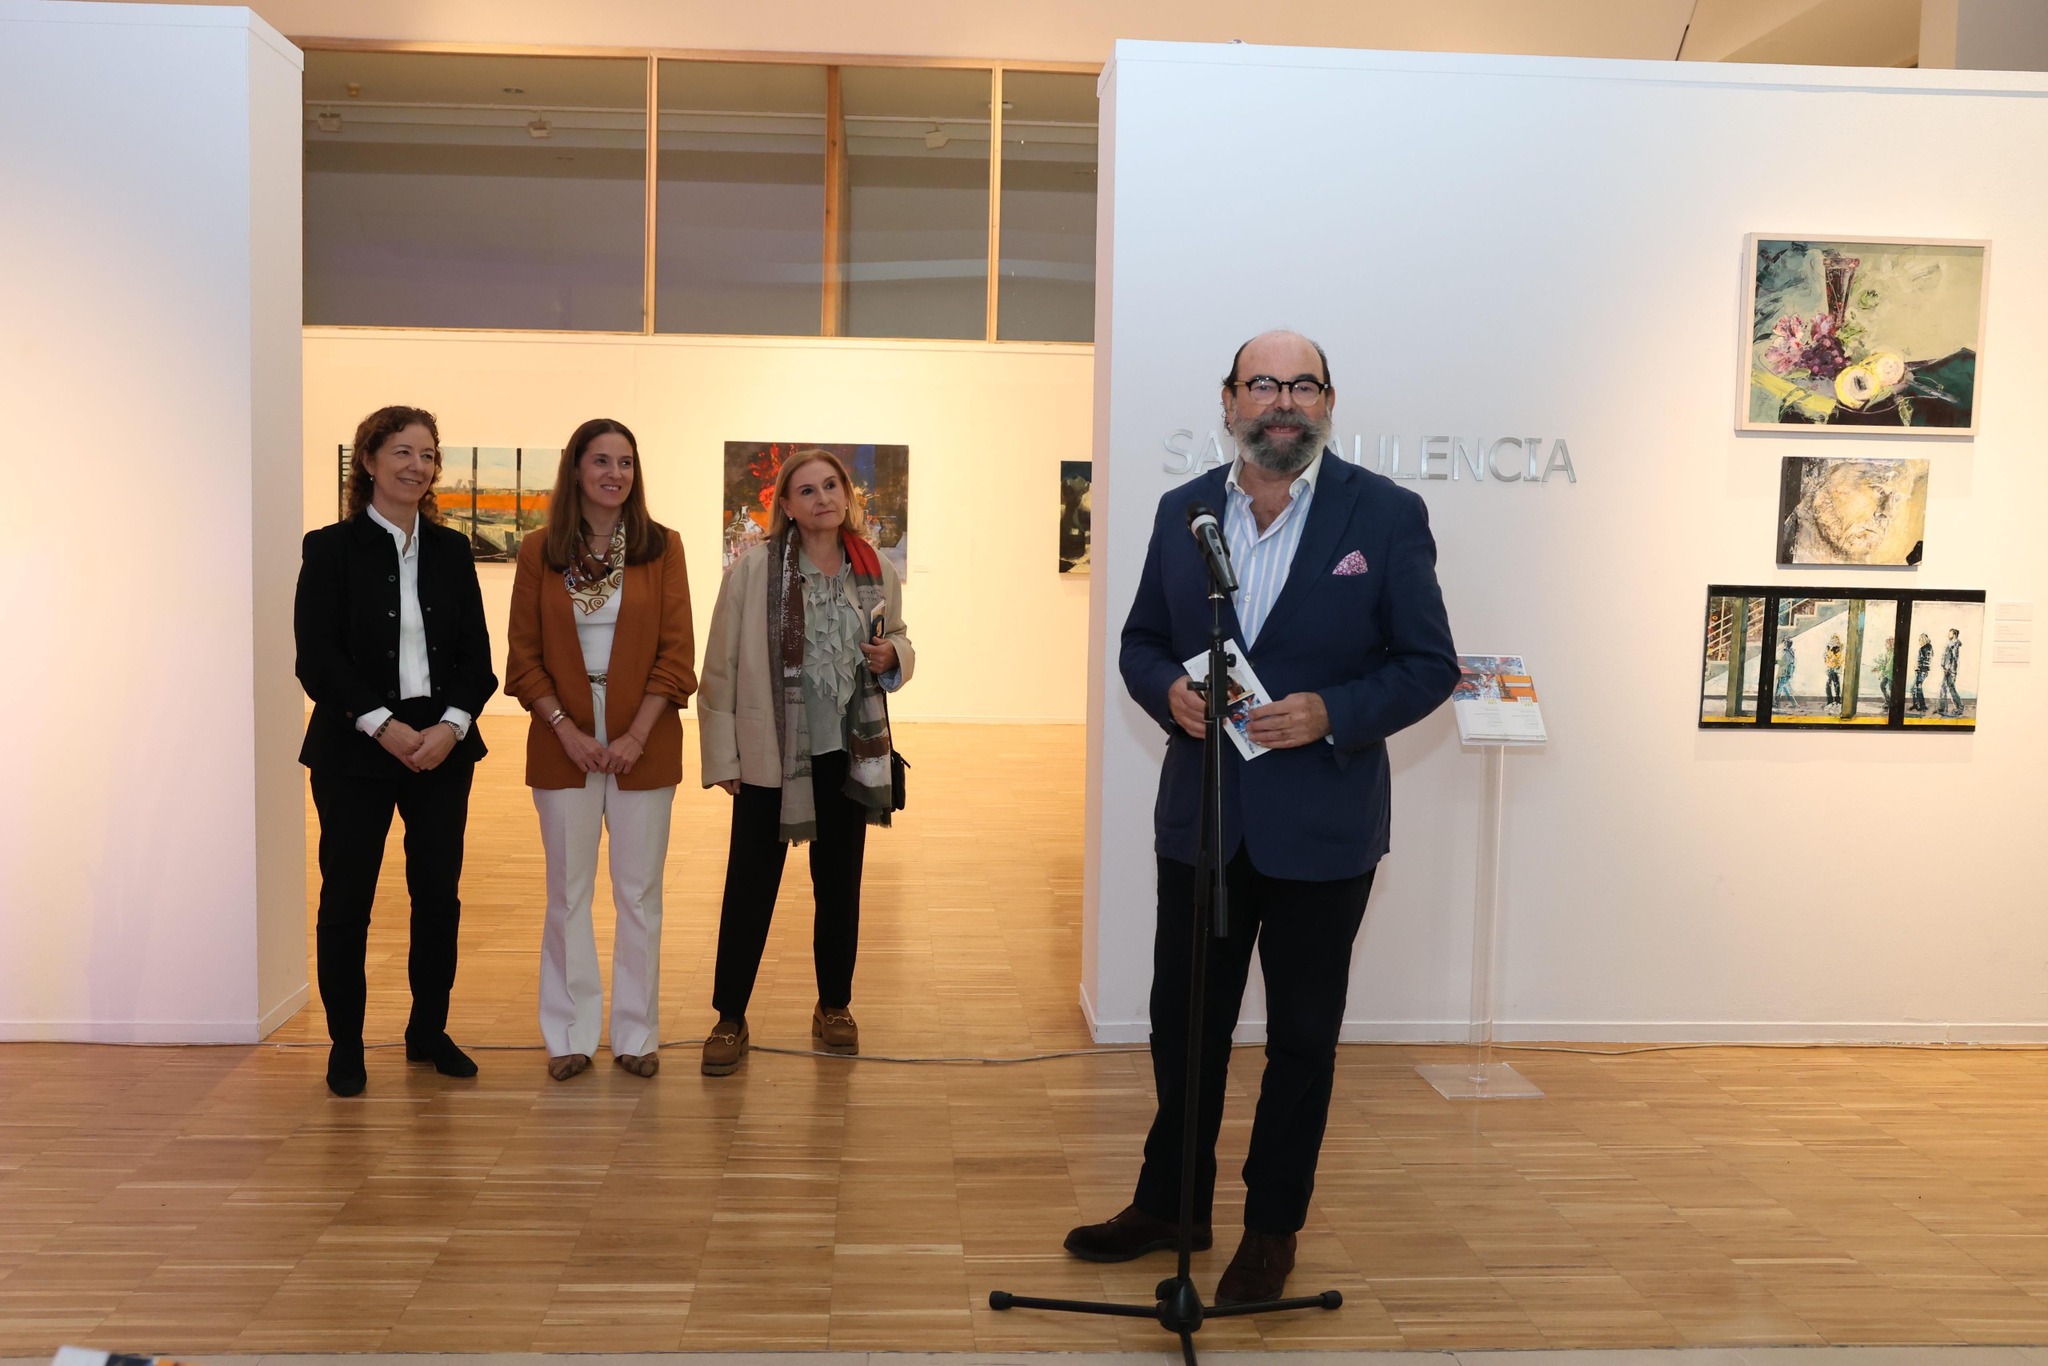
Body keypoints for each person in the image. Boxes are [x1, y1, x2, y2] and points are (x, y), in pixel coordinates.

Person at [1066, 331, 1457, 1306]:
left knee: (1299, 1041)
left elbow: (1426, 662)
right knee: (1180, 1027)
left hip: (1323, 831)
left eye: (1300, 385)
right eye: (1261, 385)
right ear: (1229, 399)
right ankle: (1171, 1205)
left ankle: (1270, 1230)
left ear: (1326, 400)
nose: (1280, 401)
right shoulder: (1181, 508)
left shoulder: (1387, 513)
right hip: (1202, 819)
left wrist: (1334, 712)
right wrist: (1167, 690)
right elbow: (1141, 640)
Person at [294, 405, 497, 1097]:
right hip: (355, 750)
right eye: (403, 452)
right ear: (370, 461)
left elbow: (478, 657)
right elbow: (316, 660)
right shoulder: (329, 548)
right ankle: (346, 1043)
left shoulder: (451, 550)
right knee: (348, 898)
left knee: (437, 896)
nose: (417, 466)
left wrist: (451, 726)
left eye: (428, 455)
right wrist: (382, 724)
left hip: (442, 747)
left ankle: (427, 1031)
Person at [697, 449, 913, 1075]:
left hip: (848, 756)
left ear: (846, 494)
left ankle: (834, 1006)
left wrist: (891, 656)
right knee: (750, 888)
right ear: (785, 505)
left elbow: (900, 638)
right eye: (806, 490)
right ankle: (729, 1016)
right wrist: (723, 755)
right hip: (771, 757)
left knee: (840, 889)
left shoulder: (874, 571)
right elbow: (718, 667)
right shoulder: (754, 570)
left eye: (831, 486)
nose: (822, 498)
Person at [506, 419, 696, 1080]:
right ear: (576, 469)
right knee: (567, 893)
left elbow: (677, 658)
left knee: (640, 896)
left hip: (646, 743)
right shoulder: (539, 552)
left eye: (626, 462)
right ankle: (570, 1035)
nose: (615, 473)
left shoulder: (662, 548)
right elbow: (523, 661)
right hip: (564, 743)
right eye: (601, 461)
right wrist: (568, 730)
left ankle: (637, 1035)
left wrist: (636, 734)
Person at [1939, 627, 1964, 717]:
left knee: (1949, 689)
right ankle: (1943, 708)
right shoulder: (1951, 644)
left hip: (1949, 670)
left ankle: (1959, 708)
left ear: (1954, 634)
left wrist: (1948, 669)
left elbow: (1954, 658)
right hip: (1948, 669)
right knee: (1946, 688)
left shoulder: (1954, 644)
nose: (1948, 635)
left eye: (1950, 633)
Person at [1775, 635, 1798, 710]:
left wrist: (1776, 661)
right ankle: (1794, 703)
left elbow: (1782, 661)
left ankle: (1775, 702)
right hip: (1787, 672)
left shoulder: (1785, 652)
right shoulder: (1790, 651)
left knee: (1780, 687)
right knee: (1786, 688)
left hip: (1784, 672)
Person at [1912, 632, 1933, 713]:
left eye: (1920, 639)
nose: (1919, 641)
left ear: (1923, 640)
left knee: (1918, 687)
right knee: (1916, 687)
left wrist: (1917, 667)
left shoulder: (1922, 649)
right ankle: (1917, 704)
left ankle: (1922, 705)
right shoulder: (1930, 648)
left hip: (1921, 670)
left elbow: (1921, 660)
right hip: (1925, 670)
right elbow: (1928, 660)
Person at [1823, 634, 1843, 711]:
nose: (1834, 640)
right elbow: (1826, 658)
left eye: (1836, 639)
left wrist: (1835, 660)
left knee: (1836, 684)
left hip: (1835, 669)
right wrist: (1827, 658)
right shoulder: (1828, 648)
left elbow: (1840, 659)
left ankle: (1837, 701)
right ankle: (1830, 701)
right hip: (1829, 668)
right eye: (1833, 639)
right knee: (1829, 684)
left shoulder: (1839, 648)